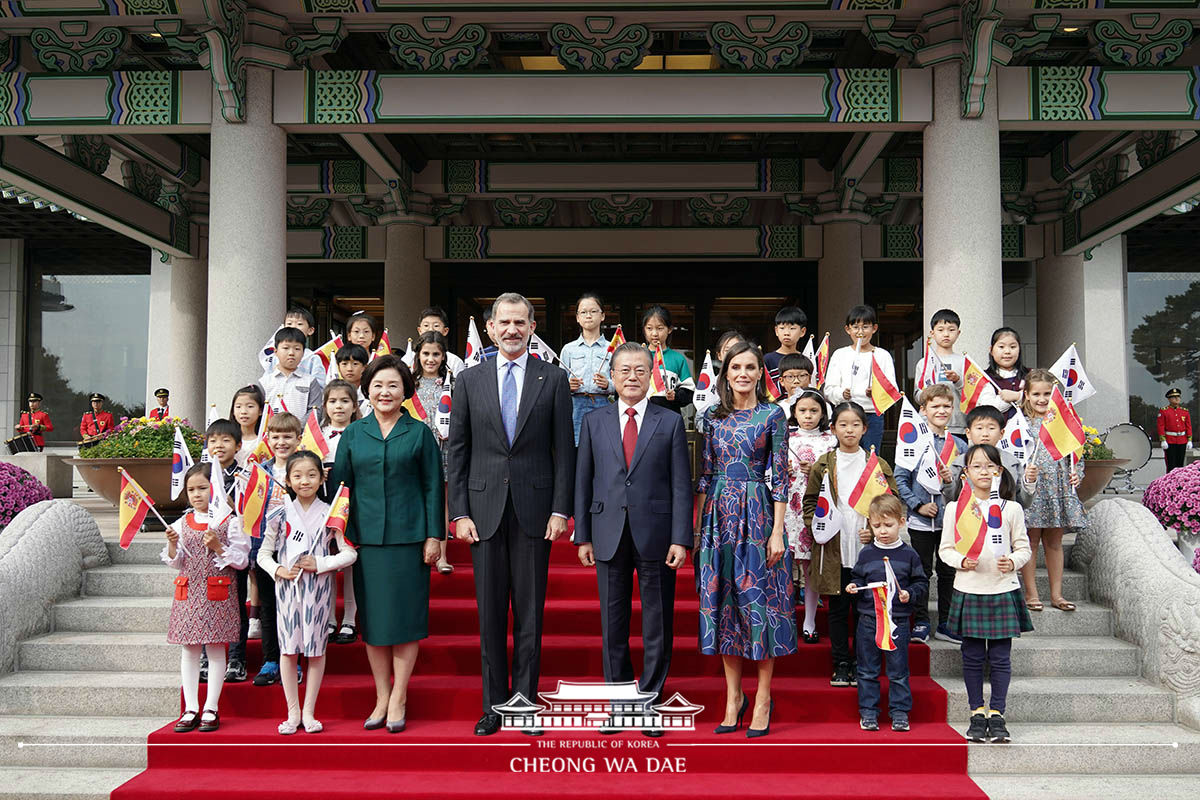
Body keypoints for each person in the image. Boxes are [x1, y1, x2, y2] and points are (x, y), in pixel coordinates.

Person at [447, 293, 574, 737]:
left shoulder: (553, 378)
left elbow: (564, 451)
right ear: (490, 328)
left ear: (533, 327)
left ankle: (524, 705)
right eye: (504, 322)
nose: (512, 329)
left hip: (535, 511)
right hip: (481, 512)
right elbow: (458, 451)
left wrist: (562, 508)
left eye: (520, 322)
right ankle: (492, 706)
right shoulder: (468, 379)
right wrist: (458, 511)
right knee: (489, 617)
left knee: (530, 616)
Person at [573, 342, 692, 737]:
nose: (632, 377)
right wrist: (583, 535)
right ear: (613, 374)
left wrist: (681, 537)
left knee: (657, 620)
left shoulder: (669, 421)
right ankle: (620, 701)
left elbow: (680, 484)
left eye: (640, 370)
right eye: (624, 370)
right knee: (613, 622)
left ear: (651, 374)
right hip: (607, 531)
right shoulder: (595, 421)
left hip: (657, 533)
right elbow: (584, 480)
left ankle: (650, 700)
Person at [330, 354, 444, 733]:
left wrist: (434, 537)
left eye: (393, 385)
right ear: (368, 389)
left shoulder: (419, 432)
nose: (385, 392)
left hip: (410, 539)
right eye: (378, 385)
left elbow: (432, 486)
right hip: (365, 541)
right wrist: (337, 533)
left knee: (405, 621)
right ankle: (381, 694)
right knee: (375, 624)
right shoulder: (353, 434)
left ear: (405, 391)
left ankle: (400, 695)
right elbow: (340, 489)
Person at [696, 341, 795, 738]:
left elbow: (782, 476)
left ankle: (765, 696)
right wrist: (697, 528)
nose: (742, 373)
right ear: (725, 373)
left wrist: (777, 531)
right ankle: (733, 696)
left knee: (761, 605)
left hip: (758, 514)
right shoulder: (711, 417)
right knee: (724, 606)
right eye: (735, 366)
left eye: (750, 367)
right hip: (717, 516)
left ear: (760, 373)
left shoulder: (773, 414)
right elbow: (704, 475)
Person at [258, 450, 357, 735]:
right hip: (287, 589)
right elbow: (264, 553)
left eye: (311, 475)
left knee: (315, 650)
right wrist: (278, 570)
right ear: (288, 480)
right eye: (298, 476)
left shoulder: (332, 513)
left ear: (321, 477)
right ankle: (292, 712)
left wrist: (322, 563)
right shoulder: (278, 513)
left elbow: (349, 553)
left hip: (319, 590)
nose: (305, 481)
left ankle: (310, 711)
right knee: (288, 651)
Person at [940, 444, 1034, 743]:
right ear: (965, 473)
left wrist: (1014, 562)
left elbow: (1024, 548)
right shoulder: (956, 508)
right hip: (968, 588)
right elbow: (945, 550)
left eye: (989, 465)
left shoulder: (1012, 508)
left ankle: (998, 713)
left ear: (1000, 471)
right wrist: (960, 561)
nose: (983, 471)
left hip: (1002, 588)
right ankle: (976, 712)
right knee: (971, 656)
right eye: (976, 466)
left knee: (1001, 657)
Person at [803, 401, 897, 689]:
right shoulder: (824, 463)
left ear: (865, 429)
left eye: (856, 424)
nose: (849, 430)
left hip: (866, 546)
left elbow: (891, 502)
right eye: (843, 424)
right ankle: (840, 662)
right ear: (832, 429)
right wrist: (818, 525)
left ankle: (863, 661)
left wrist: (875, 529)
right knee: (838, 608)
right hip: (834, 546)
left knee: (865, 609)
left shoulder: (876, 465)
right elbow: (809, 503)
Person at [163, 464, 250, 733]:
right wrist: (172, 544)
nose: (197, 494)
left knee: (214, 648)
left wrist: (218, 547)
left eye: (202, 488)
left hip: (217, 593)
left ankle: (211, 706)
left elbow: (242, 560)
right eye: (191, 490)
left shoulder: (230, 522)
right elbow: (174, 562)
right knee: (189, 649)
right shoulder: (181, 523)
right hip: (188, 592)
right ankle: (190, 707)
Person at [845, 494, 927, 733]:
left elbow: (921, 583)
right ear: (870, 524)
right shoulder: (867, 553)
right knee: (867, 668)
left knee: (898, 669)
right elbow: (858, 579)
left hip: (898, 621)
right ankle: (868, 712)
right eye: (877, 525)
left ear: (901, 522)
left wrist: (910, 593)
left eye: (888, 525)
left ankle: (899, 712)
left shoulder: (910, 554)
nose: (882, 531)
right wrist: (853, 587)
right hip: (869, 620)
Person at [894, 384, 964, 644]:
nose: (941, 410)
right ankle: (921, 620)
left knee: (948, 572)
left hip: (949, 521)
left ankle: (946, 622)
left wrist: (948, 482)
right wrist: (917, 505)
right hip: (921, 521)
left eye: (946, 406)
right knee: (921, 572)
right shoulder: (913, 441)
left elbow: (963, 488)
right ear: (923, 410)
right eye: (935, 406)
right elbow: (900, 478)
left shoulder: (959, 445)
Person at [1019, 370, 1085, 613]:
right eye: (1036, 394)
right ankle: (1031, 593)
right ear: (1026, 395)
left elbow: (1075, 454)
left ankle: (1057, 594)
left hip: (1057, 487)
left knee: (1054, 542)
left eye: (1047, 393)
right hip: (1033, 490)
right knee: (1030, 540)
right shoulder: (1021, 424)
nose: (1042, 398)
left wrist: (1077, 472)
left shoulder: (1062, 423)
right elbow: (1015, 455)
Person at [252, 411, 303, 687]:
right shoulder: (260, 471)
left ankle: (294, 659)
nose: (281, 442)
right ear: (268, 439)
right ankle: (271, 659)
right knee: (269, 606)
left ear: (298, 439)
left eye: (287, 437)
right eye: (276, 437)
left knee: (294, 608)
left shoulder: (304, 467)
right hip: (266, 547)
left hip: (295, 547)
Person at [782, 390, 836, 643]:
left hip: (814, 507)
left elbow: (835, 473)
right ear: (794, 412)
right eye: (802, 411)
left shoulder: (830, 441)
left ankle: (810, 621)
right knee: (784, 563)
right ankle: (783, 619)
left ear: (823, 413)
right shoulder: (785, 438)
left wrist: (816, 470)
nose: (808, 416)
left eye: (814, 411)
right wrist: (787, 469)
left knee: (810, 565)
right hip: (787, 507)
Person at [200, 419, 247, 684]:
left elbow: (251, 510)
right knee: (209, 606)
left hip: (233, 548)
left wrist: (234, 505)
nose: (219, 445)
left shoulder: (245, 475)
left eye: (226, 440)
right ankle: (207, 658)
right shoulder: (201, 474)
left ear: (238, 446)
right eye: (213, 440)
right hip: (206, 551)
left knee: (236, 605)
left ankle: (237, 659)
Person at [319, 379, 361, 644]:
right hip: (322, 497)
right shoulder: (317, 433)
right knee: (327, 560)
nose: (339, 406)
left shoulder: (361, 432)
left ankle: (349, 618)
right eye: (333, 401)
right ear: (325, 405)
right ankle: (329, 618)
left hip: (352, 499)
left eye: (345, 401)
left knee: (350, 560)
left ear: (354, 406)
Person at [410, 331, 455, 576]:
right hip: (415, 449)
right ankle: (418, 550)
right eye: (426, 353)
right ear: (418, 355)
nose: (430, 359)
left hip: (443, 449)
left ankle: (442, 555)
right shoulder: (408, 382)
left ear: (443, 356)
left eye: (436, 354)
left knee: (441, 502)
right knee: (415, 500)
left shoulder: (452, 382)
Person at [823, 306, 895, 454]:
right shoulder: (840, 355)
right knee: (843, 455)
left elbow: (891, 390)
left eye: (865, 327)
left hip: (872, 415)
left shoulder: (883, 355)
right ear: (848, 329)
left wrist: (876, 392)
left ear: (874, 328)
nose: (860, 332)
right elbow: (829, 389)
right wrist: (842, 394)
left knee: (871, 457)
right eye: (855, 327)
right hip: (844, 413)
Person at [941, 405, 1035, 509]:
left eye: (991, 428)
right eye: (979, 428)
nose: (985, 434)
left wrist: (1029, 482)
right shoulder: (960, 463)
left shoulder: (1011, 462)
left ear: (1001, 433)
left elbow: (1023, 503)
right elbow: (951, 500)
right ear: (968, 433)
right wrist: (948, 482)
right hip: (969, 520)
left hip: (1003, 520)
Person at [560, 292, 614, 445]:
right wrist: (567, 386)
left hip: (603, 404)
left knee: (602, 448)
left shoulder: (613, 349)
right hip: (575, 407)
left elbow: (622, 383)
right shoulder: (569, 349)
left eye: (593, 311)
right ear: (577, 317)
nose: (588, 316)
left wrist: (608, 384)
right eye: (583, 312)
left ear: (602, 316)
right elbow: (558, 384)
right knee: (576, 449)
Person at [913, 309, 966, 435]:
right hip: (928, 423)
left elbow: (971, 394)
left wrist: (957, 381)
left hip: (957, 424)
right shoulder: (924, 363)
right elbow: (917, 395)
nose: (946, 334)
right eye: (941, 330)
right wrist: (929, 392)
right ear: (932, 333)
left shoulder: (964, 362)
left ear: (958, 333)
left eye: (951, 330)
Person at [641, 305, 695, 416]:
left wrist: (676, 396)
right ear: (644, 330)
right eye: (649, 328)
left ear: (669, 329)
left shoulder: (678, 359)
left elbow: (689, 392)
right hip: (642, 416)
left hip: (669, 417)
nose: (654, 333)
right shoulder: (637, 356)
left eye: (660, 328)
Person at [260, 327, 323, 420]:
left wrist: (297, 428)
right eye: (286, 348)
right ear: (275, 352)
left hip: (301, 433)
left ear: (303, 353)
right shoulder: (264, 382)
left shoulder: (310, 381)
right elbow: (259, 411)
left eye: (297, 349)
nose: (291, 353)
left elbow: (315, 410)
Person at [982, 327, 1028, 420]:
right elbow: (989, 409)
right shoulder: (984, 377)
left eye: (1013, 347)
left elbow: (1041, 400)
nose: (1007, 351)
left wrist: (1017, 396)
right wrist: (1012, 398)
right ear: (991, 350)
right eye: (1001, 347)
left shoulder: (1031, 375)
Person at [416, 306, 467, 377]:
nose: (431, 329)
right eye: (426, 325)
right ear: (419, 330)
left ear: (445, 331)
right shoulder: (408, 359)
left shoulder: (455, 361)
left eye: (436, 326)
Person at [763, 305, 807, 380]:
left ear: (802, 332)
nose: (786, 333)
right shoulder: (768, 360)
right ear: (776, 331)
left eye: (792, 328)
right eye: (782, 328)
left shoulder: (806, 359)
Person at [229, 385, 265, 468]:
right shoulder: (228, 439)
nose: (243, 411)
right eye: (238, 406)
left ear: (260, 410)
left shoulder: (264, 441)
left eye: (250, 406)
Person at [1158, 388, 1192, 472]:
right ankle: (1170, 484)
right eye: (1174, 397)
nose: (1177, 399)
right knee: (1171, 464)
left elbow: (1188, 426)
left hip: (1182, 440)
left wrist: (1189, 440)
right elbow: (1160, 426)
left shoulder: (1185, 411)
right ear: (1169, 399)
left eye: (1178, 397)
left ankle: (1179, 484)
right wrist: (1163, 440)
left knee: (1180, 464)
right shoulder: (1164, 411)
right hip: (1170, 441)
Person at [335, 343, 372, 416]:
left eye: (355, 364)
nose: (349, 369)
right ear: (338, 367)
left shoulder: (371, 392)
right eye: (344, 364)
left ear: (365, 367)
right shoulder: (333, 392)